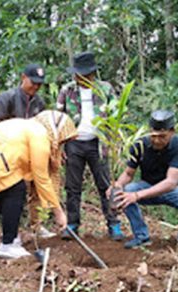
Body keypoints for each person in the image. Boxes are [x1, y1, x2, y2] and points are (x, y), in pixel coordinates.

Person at [0, 110, 77, 259]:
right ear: (58, 130)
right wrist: (59, 213)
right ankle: (8, 244)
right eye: (63, 140)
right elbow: (41, 177)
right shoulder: (40, 134)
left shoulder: (30, 127)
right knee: (16, 189)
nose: (61, 144)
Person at [108, 110, 178, 252]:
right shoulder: (139, 145)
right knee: (125, 193)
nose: (157, 140)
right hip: (147, 185)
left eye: (162, 137)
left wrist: (137, 196)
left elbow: (171, 182)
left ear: (172, 132)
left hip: (175, 189)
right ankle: (141, 235)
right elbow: (128, 173)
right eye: (153, 136)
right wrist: (117, 186)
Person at [57, 51, 124, 241]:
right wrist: (60, 146)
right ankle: (72, 224)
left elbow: (116, 115)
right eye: (78, 74)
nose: (81, 78)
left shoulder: (105, 89)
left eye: (85, 74)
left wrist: (114, 142)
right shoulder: (67, 90)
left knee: (105, 185)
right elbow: (59, 119)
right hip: (74, 143)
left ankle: (113, 224)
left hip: (99, 144)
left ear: (92, 74)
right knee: (72, 186)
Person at [0, 64, 55, 238]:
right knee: (14, 191)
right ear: (23, 77)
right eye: (33, 82)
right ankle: (12, 230)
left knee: (36, 188)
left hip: (33, 152)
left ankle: (37, 225)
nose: (35, 87)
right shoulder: (7, 98)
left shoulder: (40, 102)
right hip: (11, 152)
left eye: (39, 84)